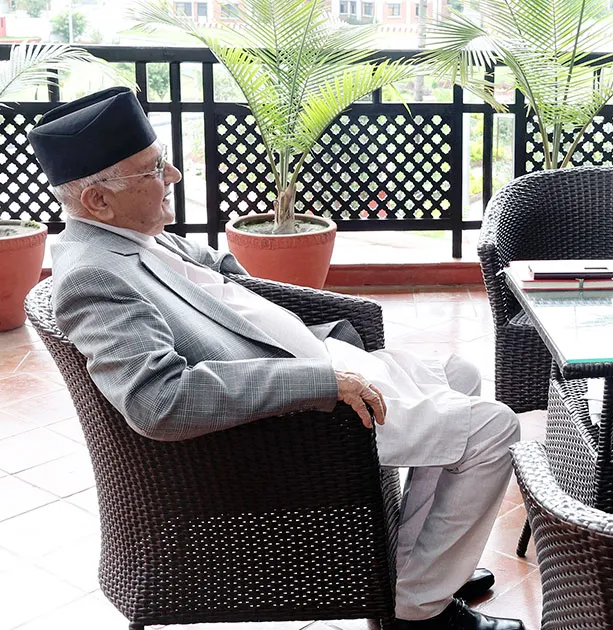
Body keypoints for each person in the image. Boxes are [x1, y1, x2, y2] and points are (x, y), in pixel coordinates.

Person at [28, 86, 524, 630]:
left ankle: (419, 565)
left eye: (163, 160)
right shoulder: (93, 278)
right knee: (494, 428)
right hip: (297, 418)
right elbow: (158, 400)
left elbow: (213, 265)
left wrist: (249, 294)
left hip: (318, 362)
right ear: (98, 200)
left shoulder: (128, 234)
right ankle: (418, 609)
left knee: (459, 374)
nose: (172, 176)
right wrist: (320, 381)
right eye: (153, 170)